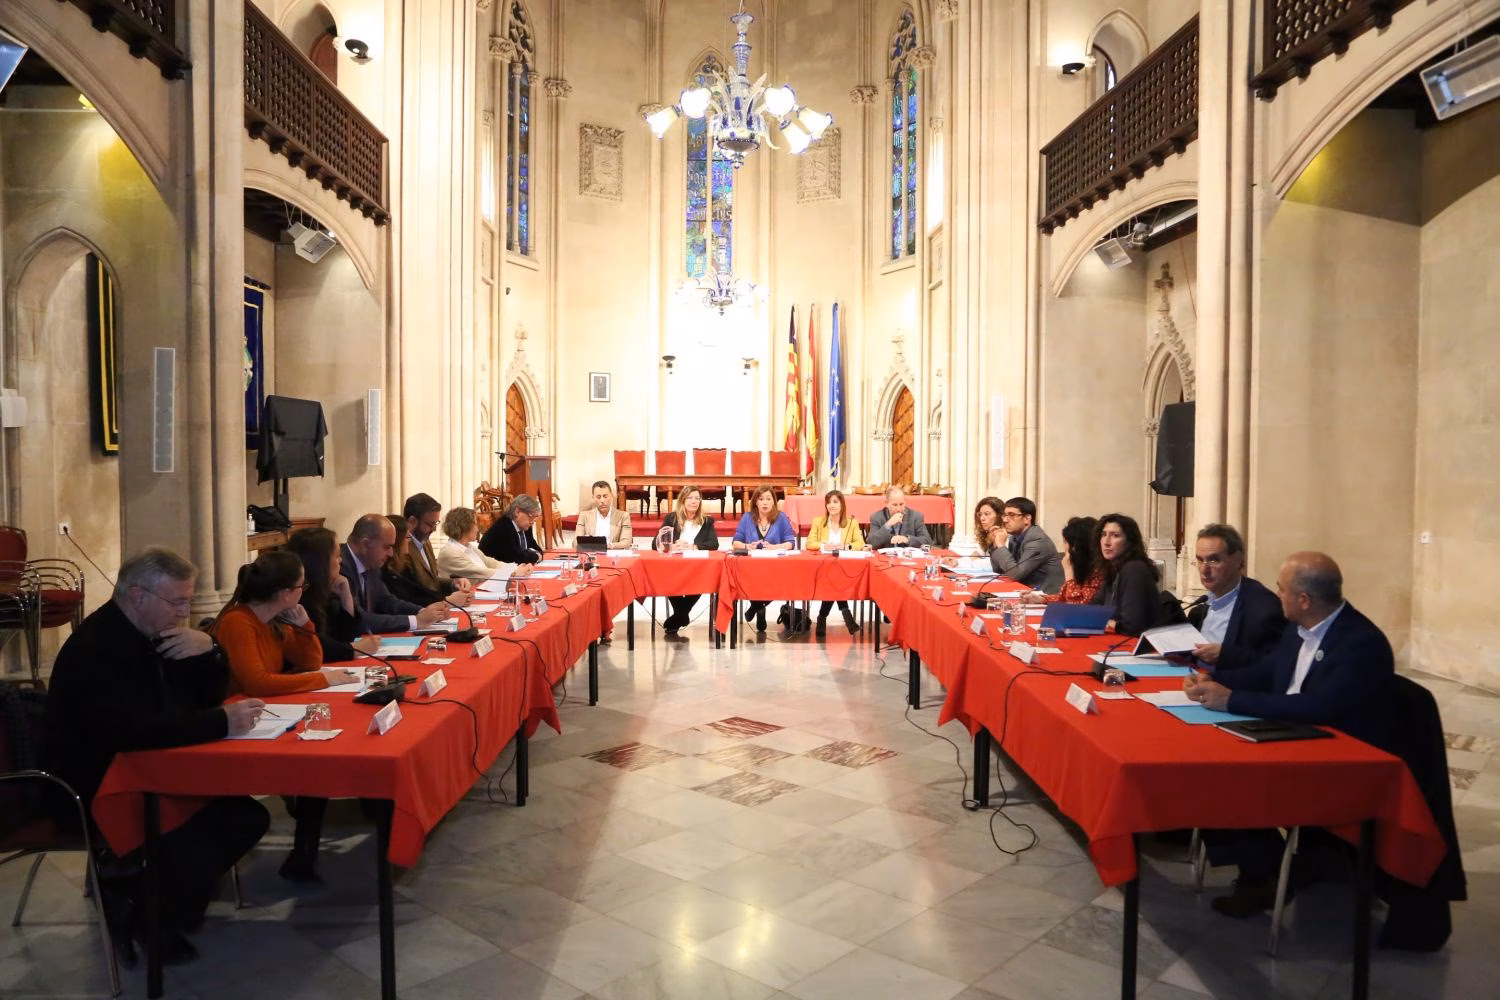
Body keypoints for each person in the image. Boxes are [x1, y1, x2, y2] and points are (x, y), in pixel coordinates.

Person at [43, 548, 270, 967]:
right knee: (197, 843)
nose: (184, 613)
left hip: (150, 771)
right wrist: (220, 723)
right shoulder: (98, 648)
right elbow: (131, 731)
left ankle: (149, 904)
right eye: (177, 602)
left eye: (188, 601)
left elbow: (198, 699)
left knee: (248, 817)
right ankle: (147, 915)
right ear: (138, 596)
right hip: (95, 784)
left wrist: (210, 649)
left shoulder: (153, 633)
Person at [1184, 552, 1397, 917]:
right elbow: (1267, 674)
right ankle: (1268, 865)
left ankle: (1262, 877)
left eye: (1282, 589)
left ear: (1304, 600)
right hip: (1296, 734)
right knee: (1204, 760)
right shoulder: (1300, 630)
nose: (1276, 594)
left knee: (1231, 779)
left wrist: (1233, 700)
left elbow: (1320, 708)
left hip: (1337, 755)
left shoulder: (1359, 642)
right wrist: (1214, 682)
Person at [212, 551, 361, 883]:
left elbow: (310, 661)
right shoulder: (239, 622)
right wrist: (325, 679)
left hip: (265, 714)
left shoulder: (274, 620)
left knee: (320, 747)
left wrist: (304, 626)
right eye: (301, 586)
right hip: (237, 724)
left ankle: (303, 854)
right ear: (284, 594)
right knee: (315, 757)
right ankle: (303, 853)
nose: (303, 591)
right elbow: (258, 682)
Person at [1187, 523, 1285, 670]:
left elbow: (1276, 664)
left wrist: (1227, 655)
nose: (1204, 569)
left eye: (1214, 560)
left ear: (1238, 559)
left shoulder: (1262, 606)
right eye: (1200, 560)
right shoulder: (1209, 600)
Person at [340, 514, 452, 633]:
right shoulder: (340, 566)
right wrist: (416, 621)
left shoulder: (370, 561)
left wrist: (424, 612)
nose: (391, 554)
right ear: (366, 544)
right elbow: (358, 620)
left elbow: (387, 601)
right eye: (387, 547)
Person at [286, 527, 380, 662]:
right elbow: (317, 646)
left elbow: (347, 635)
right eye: (337, 556)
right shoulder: (300, 597)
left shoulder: (327, 592)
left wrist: (346, 596)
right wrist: (355, 648)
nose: (341, 560)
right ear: (320, 562)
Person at [655, 485, 719, 641]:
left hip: (697, 566)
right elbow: (655, 543)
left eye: (697, 498)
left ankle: (680, 615)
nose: (694, 501)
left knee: (700, 578)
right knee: (665, 577)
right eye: (690, 498)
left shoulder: (707, 521)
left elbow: (713, 544)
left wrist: (693, 546)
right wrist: (670, 545)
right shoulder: (671, 518)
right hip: (674, 566)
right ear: (683, 500)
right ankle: (682, 614)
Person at [732, 484, 797, 633]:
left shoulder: (781, 517)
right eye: (761, 499)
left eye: (768, 499)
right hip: (752, 567)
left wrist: (775, 547)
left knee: (781, 582)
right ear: (755, 502)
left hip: (775, 567)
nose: (765, 502)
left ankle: (756, 607)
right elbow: (736, 542)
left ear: (774, 501)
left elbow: (790, 543)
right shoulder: (747, 518)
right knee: (749, 579)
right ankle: (759, 608)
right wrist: (748, 546)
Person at [1089, 513, 1162, 636]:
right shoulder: (1113, 568)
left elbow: (1132, 626)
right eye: (1103, 535)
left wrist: (1108, 622)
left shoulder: (1134, 569)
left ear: (1129, 542)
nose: (1106, 542)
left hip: (1136, 646)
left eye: (1115, 536)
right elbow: (1094, 608)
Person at [805, 489, 864, 636]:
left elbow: (860, 543)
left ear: (842, 504)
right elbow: (809, 543)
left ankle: (822, 617)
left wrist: (846, 547)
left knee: (835, 580)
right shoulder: (819, 522)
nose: (831, 505)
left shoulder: (852, 523)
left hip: (844, 567)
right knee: (834, 580)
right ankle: (846, 615)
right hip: (824, 566)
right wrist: (825, 546)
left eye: (835, 502)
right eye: (829, 502)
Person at [394, 493, 474, 599]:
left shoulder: (426, 542)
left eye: (436, 523)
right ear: (412, 521)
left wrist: (454, 583)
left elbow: (432, 581)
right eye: (430, 524)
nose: (434, 529)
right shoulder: (402, 548)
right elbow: (413, 591)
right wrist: (447, 600)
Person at [983, 496, 1063, 594]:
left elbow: (1016, 574)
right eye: (1004, 515)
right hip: (1025, 592)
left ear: (1026, 519)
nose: (1005, 520)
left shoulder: (1037, 541)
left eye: (1011, 515)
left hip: (1046, 598)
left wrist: (1001, 546)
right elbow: (999, 570)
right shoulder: (1015, 537)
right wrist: (995, 544)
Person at [437, 506, 527, 582]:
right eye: (475, 524)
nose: (478, 529)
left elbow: (490, 562)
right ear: (465, 526)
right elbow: (480, 573)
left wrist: (515, 567)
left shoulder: (469, 547)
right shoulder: (449, 552)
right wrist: (514, 573)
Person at [1041, 516, 1104, 604]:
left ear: (1078, 546)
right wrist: (1042, 599)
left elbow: (1076, 606)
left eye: (1066, 542)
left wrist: (1069, 573)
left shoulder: (1098, 570)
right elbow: (1065, 597)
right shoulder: (1083, 564)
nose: (1064, 547)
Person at [479, 493, 544, 564]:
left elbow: (537, 550)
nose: (533, 521)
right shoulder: (503, 528)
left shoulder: (525, 527)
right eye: (531, 516)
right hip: (493, 571)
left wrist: (531, 555)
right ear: (517, 512)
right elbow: (516, 559)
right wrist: (535, 556)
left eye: (536, 517)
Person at [866, 485, 934, 549]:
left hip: (907, 558)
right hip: (885, 558)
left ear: (905, 501)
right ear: (886, 503)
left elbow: (928, 542)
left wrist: (907, 539)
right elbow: (871, 543)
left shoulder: (916, 516)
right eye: (895, 505)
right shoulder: (877, 517)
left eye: (901, 504)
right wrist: (888, 525)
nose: (899, 509)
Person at [577, 480, 634, 548]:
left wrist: (609, 546)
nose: (602, 501)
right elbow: (575, 542)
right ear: (593, 499)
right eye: (598, 497)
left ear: (611, 497)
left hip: (613, 555)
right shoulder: (584, 516)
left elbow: (626, 542)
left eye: (605, 496)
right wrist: (586, 542)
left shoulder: (623, 516)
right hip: (591, 554)